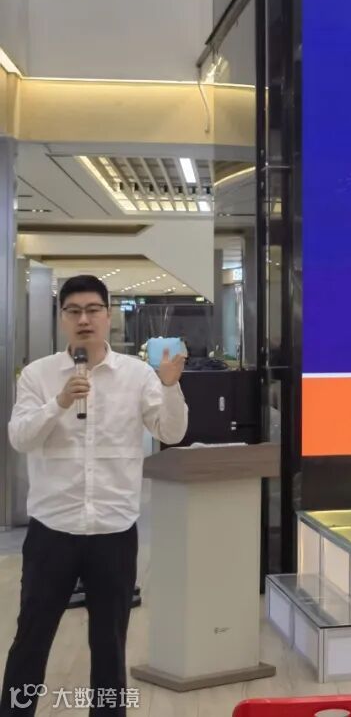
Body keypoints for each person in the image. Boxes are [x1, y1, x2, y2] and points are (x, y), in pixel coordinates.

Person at [1, 275, 188, 716]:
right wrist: (60, 401)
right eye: (74, 311)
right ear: (62, 318)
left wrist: (170, 386)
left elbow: (171, 432)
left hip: (113, 530)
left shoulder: (137, 375)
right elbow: (20, 438)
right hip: (53, 530)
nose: (84, 319)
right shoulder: (38, 375)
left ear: (107, 315)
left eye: (92, 310)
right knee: (31, 638)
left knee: (109, 645)